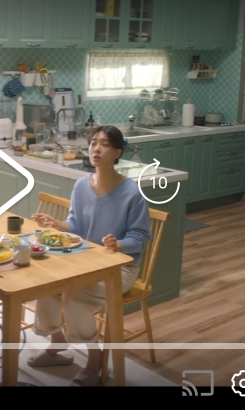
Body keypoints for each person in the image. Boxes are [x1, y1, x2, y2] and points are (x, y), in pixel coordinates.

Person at [29, 125, 151, 386]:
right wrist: (58, 224)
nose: (96, 149)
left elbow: (141, 237)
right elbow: (76, 224)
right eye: (93, 143)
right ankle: (57, 341)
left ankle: (95, 360)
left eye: (105, 144)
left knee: (75, 296)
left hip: (119, 268)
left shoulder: (132, 193)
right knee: (45, 285)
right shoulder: (81, 185)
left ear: (117, 152)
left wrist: (119, 244)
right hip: (85, 261)